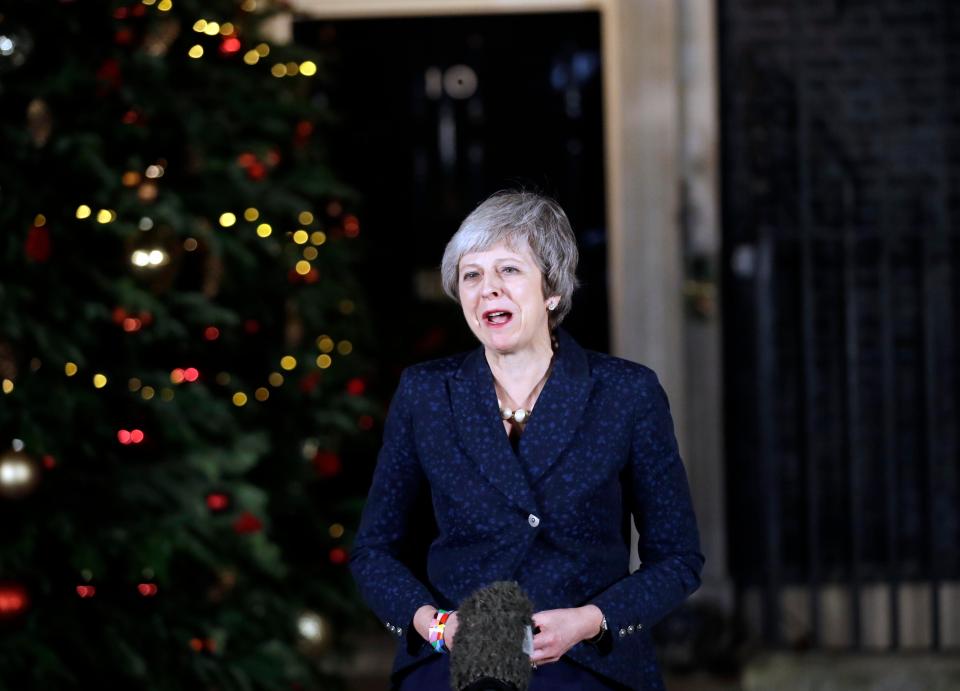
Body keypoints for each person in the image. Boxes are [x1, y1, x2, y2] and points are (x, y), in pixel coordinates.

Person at [350, 190, 703, 690]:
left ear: (552, 290)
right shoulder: (426, 392)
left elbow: (678, 559)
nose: (488, 289)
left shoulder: (627, 393)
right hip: (452, 662)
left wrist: (590, 620)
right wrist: (437, 626)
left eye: (509, 270)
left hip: (588, 663)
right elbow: (373, 552)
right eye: (472, 275)